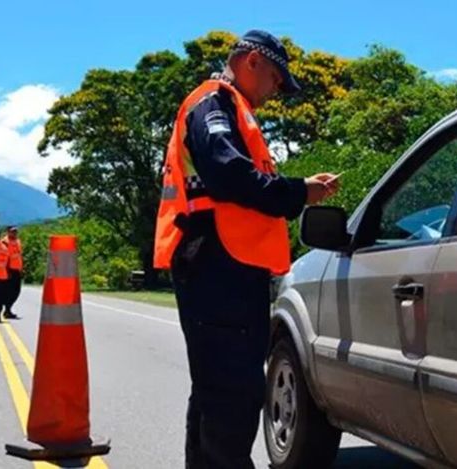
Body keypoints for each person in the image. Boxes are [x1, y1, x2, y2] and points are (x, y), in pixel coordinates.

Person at [153, 30, 339, 469]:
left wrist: (296, 190)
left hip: (226, 265)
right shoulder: (213, 103)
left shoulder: (229, 108)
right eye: (275, 77)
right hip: (217, 265)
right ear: (252, 60)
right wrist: (299, 192)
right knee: (232, 394)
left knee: (216, 391)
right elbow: (230, 175)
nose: (275, 90)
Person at [1, 226, 22, 320]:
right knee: (9, 291)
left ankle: (8, 309)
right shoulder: (5, 242)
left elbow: (18, 255)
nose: (14, 233)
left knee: (16, 291)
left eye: (15, 231)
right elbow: (3, 257)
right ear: (8, 232)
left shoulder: (17, 241)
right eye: (12, 231)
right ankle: (7, 310)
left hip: (17, 270)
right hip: (9, 270)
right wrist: (6, 270)